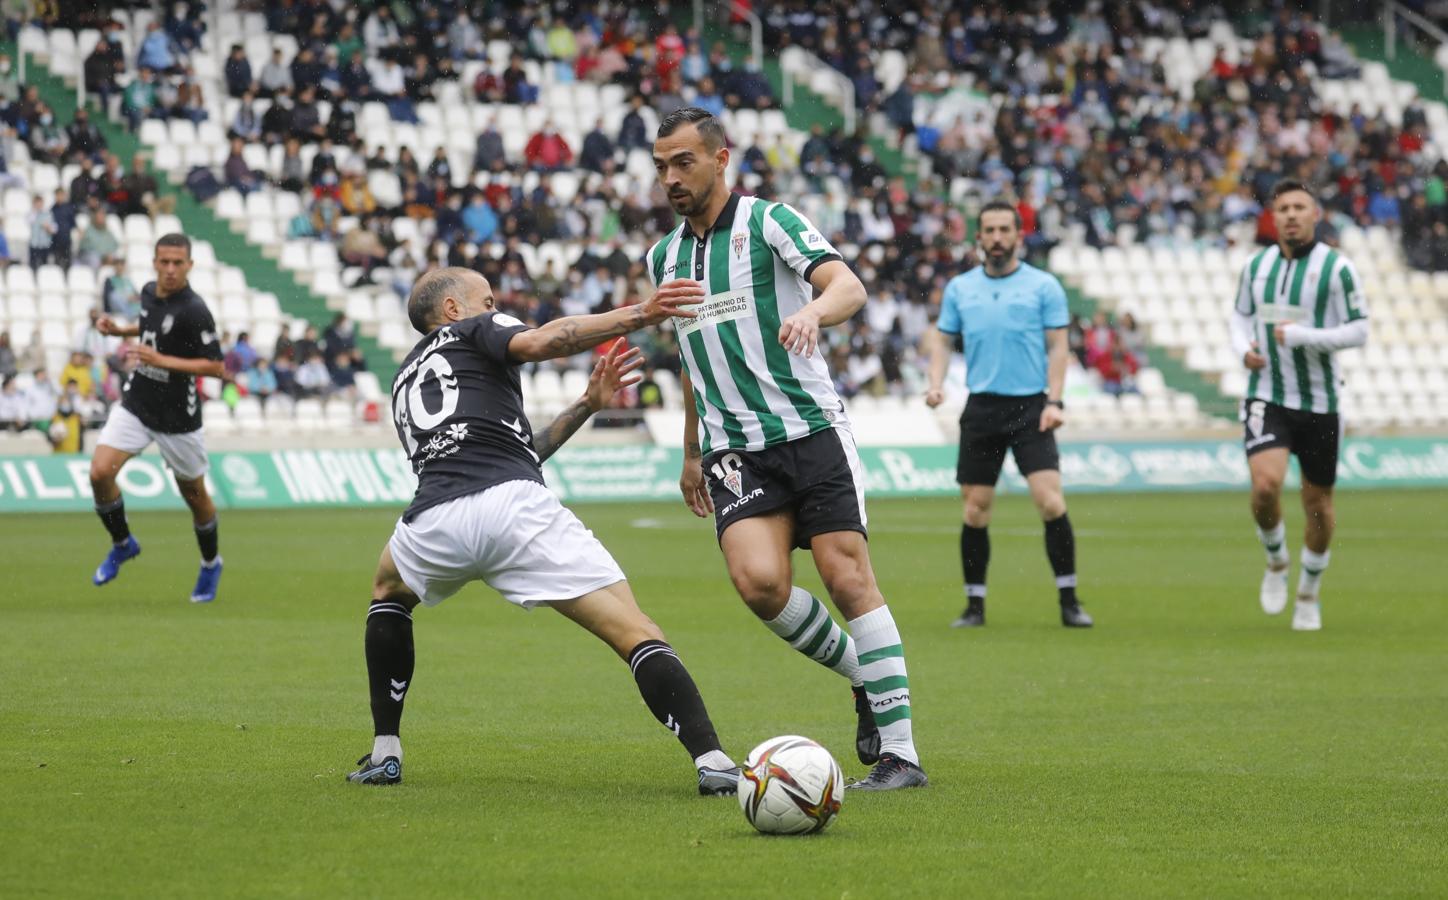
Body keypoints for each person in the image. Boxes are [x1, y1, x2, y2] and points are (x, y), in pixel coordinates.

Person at [346, 266, 743, 796]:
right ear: (452, 310)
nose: (495, 307)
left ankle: (385, 751)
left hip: (433, 522)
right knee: (635, 630)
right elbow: (546, 340)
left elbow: (515, 451)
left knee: (386, 591)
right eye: (485, 299)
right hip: (513, 509)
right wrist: (641, 314)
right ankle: (712, 760)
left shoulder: (405, 378)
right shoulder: (475, 330)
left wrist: (585, 405)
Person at [647, 107, 925, 791]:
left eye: (683, 161)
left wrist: (811, 311)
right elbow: (691, 357)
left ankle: (902, 755)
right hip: (732, 451)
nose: (671, 178)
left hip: (809, 432)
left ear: (721, 158)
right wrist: (689, 452)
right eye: (661, 166)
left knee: (846, 576)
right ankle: (866, 678)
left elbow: (848, 285)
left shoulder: (770, 223)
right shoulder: (662, 257)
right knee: (760, 585)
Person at [925, 200, 1094, 629]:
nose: (997, 238)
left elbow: (1059, 347)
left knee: (1050, 502)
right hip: (981, 408)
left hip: (1031, 407)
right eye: (989, 230)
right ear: (978, 237)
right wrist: (936, 382)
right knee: (976, 510)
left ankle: (1069, 601)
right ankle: (974, 605)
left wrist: (1055, 402)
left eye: (1005, 230)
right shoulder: (961, 289)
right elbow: (942, 341)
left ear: (1019, 236)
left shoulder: (1044, 286)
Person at [1228, 180, 1369, 632]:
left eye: (1299, 207)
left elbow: (1359, 330)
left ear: (1315, 214)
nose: (1290, 215)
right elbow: (1239, 315)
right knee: (1265, 485)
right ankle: (1275, 560)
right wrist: (1242, 348)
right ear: (1273, 216)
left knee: (1318, 505)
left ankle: (1308, 592)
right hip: (1266, 392)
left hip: (1321, 402)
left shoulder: (1338, 269)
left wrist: (1306, 336)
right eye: (1283, 207)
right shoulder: (1256, 266)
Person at [88, 234, 226, 603]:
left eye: (177, 263)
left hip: (178, 417)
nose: (169, 269)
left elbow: (215, 366)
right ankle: (122, 543)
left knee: (195, 497)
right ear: (153, 262)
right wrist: (120, 330)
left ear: (189, 266)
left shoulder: (196, 309)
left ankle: (211, 563)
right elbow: (151, 324)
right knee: (100, 472)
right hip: (137, 402)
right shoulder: (149, 292)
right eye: (163, 261)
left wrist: (163, 360)